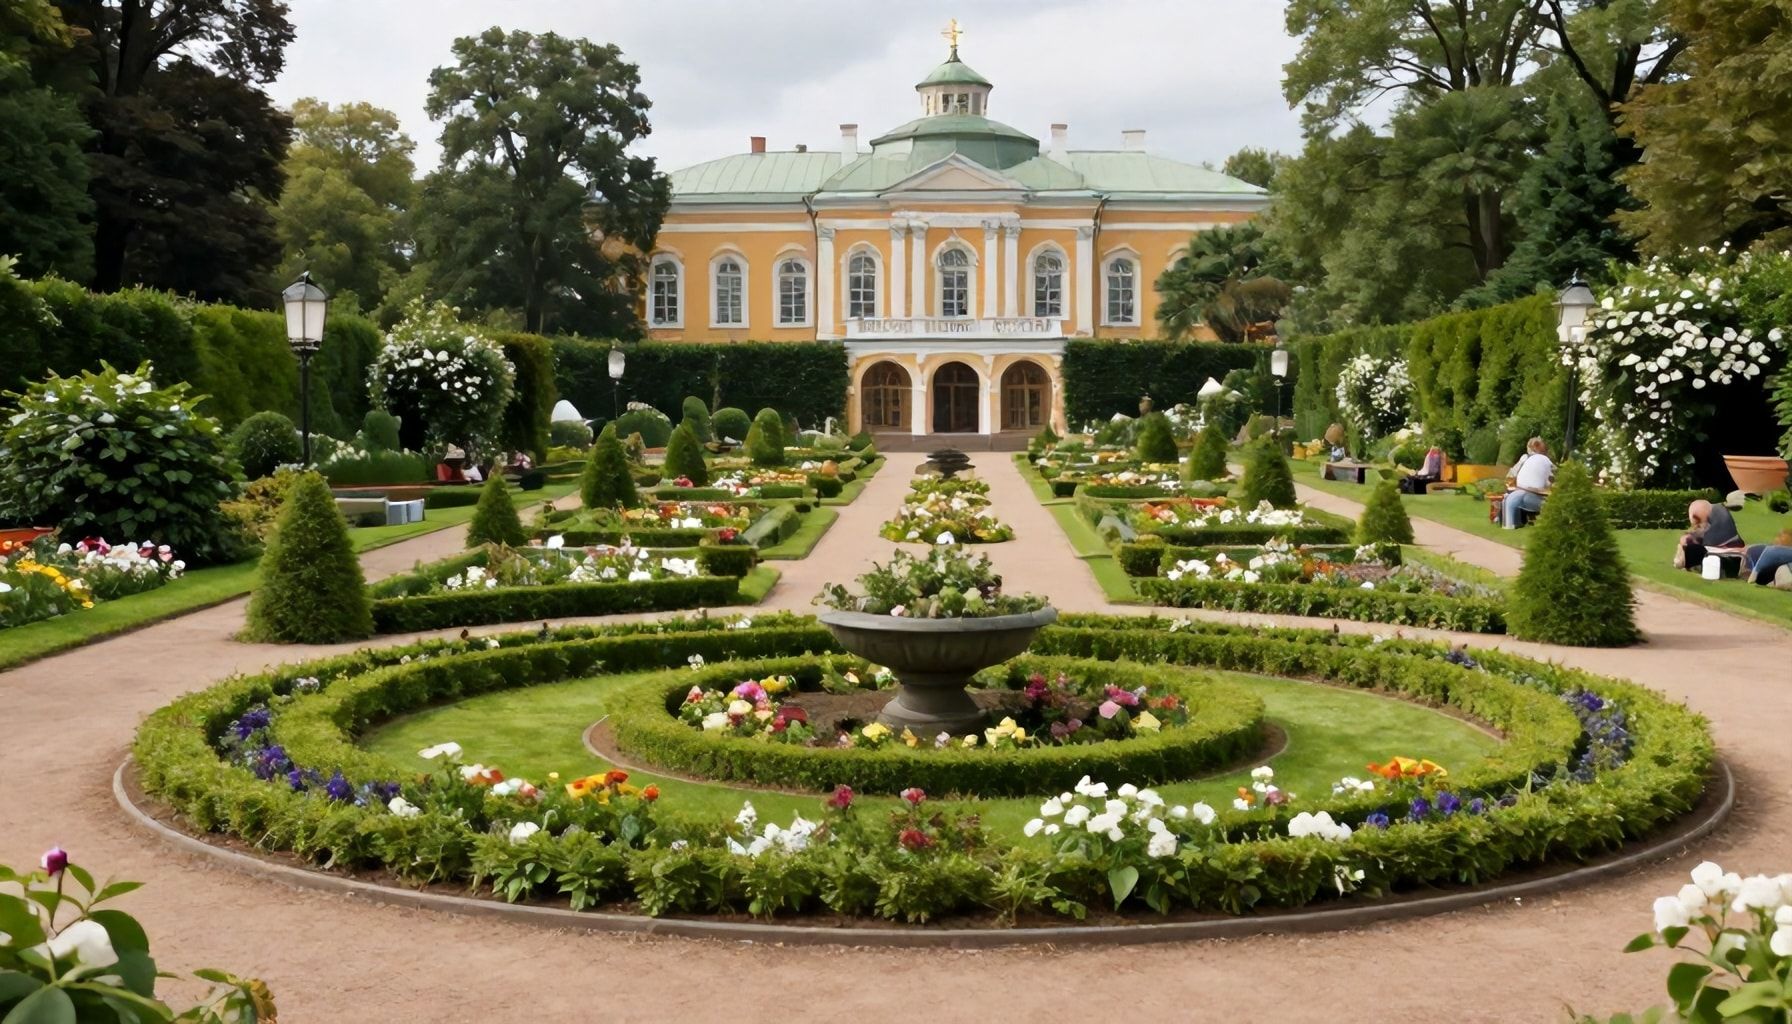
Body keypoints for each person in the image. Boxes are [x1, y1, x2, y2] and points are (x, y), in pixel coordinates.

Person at [1675, 499, 1745, 571]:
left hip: (1722, 552)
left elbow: (1704, 537)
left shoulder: (1710, 520)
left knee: (1688, 544)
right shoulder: (1718, 510)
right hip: (1734, 549)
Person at [1502, 437, 1554, 529]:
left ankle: (1512, 523)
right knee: (1550, 504)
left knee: (1511, 499)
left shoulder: (1528, 459)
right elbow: (1552, 476)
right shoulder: (1541, 459)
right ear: (1536, 447)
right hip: (1530, 495)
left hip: (1517, 492)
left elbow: (1511, 475)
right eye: (1543, 445)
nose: (1545, 447)